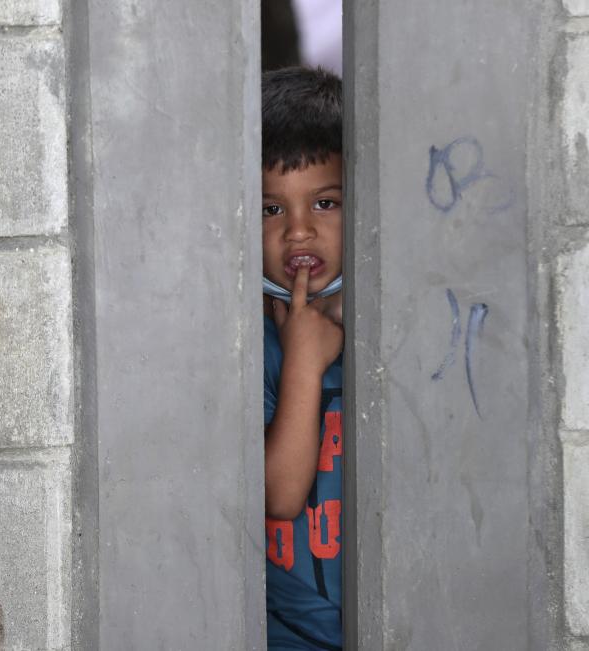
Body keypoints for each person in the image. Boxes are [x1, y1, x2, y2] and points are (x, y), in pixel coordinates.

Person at [261, 66, 344, 651]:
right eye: (271, 210)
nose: (298, 231)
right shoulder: (247, 348)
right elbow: (281, 496)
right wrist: (302, 363)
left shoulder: (401, 336)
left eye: (325, 202)